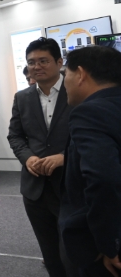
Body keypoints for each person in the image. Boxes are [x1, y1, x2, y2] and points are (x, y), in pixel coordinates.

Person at [7, 37, 75, 277]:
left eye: (43, 61)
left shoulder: (77, 92)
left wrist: (64, 157)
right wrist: (27, 158)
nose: (36, 67)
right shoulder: (22, 97)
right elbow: (15, 136)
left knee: (74, 251)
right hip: (35, 188)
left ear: (59, 62)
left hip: (71, 185)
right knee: (50, 252)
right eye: (31, 62)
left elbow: (90, 135)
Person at [60, 46, 121, 277]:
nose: (64, 83)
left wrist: (109, 245)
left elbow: (104, 179)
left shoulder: (90, 113)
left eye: (66, 74)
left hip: (107, 248)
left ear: (81, 74)